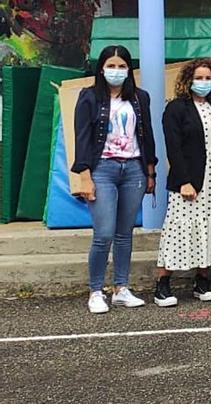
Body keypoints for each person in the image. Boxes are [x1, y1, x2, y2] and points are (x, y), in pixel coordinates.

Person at [72, 45, 157, 314]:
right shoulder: (88, 97)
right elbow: (82, 137)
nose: (117, 71)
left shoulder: (140, 98)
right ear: (101, 67)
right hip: (102, 169)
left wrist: (150, 171)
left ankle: (121, 288)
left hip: (133, 169)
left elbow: (147, 135)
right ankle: (96, 290)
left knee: (124, 234)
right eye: (112, 65)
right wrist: (85, 176)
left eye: (122, 66)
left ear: (129, 70)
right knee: (104, 233)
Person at [153, 58, 211, 307]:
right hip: (191, 176)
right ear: (188, 81)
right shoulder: (176, 108)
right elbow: (174, 148)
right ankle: (163, 284)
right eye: (198, 78)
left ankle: (202, 280)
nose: (203, 83)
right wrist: (184, 181)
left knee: (209, 226)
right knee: (179, 227)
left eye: (208, 78)